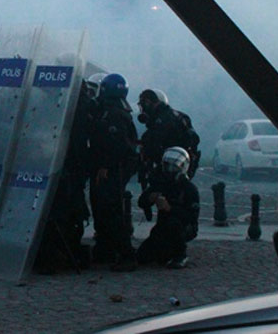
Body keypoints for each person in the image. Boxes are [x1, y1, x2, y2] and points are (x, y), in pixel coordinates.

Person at [35, 79, 92, 274]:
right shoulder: (74, 104)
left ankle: (59, 254)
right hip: (65, 165)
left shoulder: (74, 106)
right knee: (65, 212)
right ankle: (59, 253)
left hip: (67, 167)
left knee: (64, 212)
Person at [89, 73, 139, 272]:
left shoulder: (114, 114)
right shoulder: (115, 110)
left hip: (112, 169)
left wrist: (105, 166)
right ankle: (105, 248)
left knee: (112, 210)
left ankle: (126, 254)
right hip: (110, 167)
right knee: (101, 208)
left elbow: (115, 145)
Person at [136, 146, 200, 269]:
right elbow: (141, 202)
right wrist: (150, 197)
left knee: (173, 224)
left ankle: (181, 255)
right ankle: (165, 251)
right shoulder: (161, 183)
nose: (170, 171)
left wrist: (170, 208)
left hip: (183, 227)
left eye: (174, 167)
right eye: (167, 166)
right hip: (162, 226)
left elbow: (191, 216)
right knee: (142, 257)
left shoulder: (189, 189)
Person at [137, 89, 201, 194]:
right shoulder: (180, 116)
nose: (144, 108)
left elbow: (152, 148)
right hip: (184, 166)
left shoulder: (160, 122)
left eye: (146, 103)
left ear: (156, 103)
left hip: (168, 170)